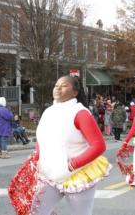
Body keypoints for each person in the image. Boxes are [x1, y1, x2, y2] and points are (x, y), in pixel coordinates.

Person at [28, 76, 111, 215]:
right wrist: (36, 159)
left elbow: (99, 145)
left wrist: (72, 165)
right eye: (56, 85)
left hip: (77, 174)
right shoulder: (49, 112)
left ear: (75, 92)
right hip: (49, 174)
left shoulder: (81, 113)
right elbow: (42, 140)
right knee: (35, 211)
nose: (58, 88)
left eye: (64, 86)